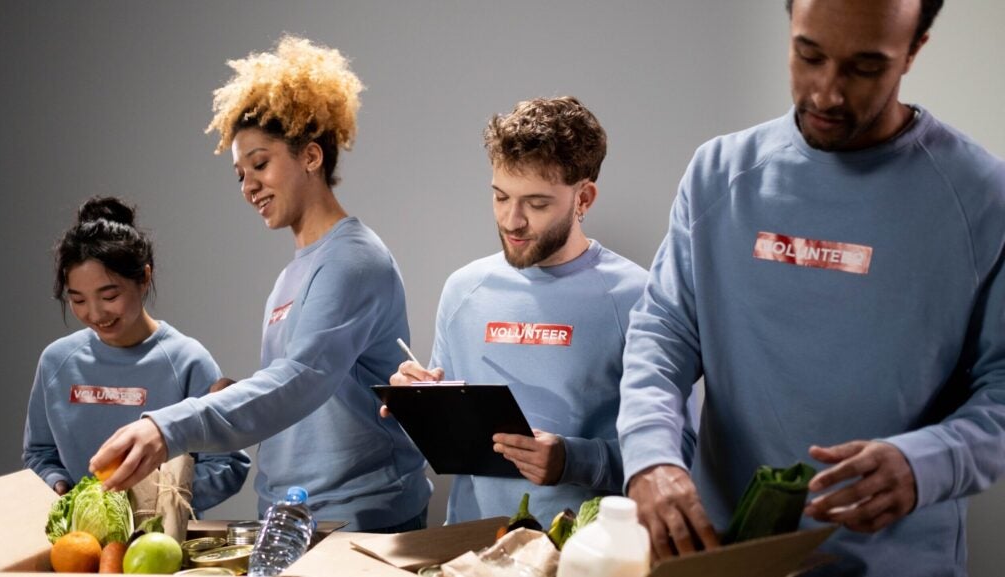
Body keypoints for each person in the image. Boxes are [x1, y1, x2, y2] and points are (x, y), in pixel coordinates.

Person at [618, 0, 1005, 574]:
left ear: (914, 51)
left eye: (865, 67)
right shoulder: (718, 174)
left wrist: (928, 463)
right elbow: (663, 334)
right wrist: (650, 457)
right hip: (727, 555)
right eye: (809, 55)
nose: (827, 93)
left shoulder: (982, 197)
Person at [90, 36, 432, 532]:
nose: (248, 185)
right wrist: (241, 392)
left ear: (311, 157)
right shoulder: (293, 272)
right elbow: (305, 382)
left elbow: (302, 379)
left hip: (356, 516)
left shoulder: (354, 261)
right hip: (288, 512)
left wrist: (169, 427)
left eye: (260, 163)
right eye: (239, 174)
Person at [389, 96, 695, 526]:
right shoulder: (464, 291)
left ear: (583, 197)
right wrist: (415, 402)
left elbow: (682, 451)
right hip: (471, 551)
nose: (512, 221)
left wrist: (573, 460)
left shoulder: (638, 297)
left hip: (586, 554)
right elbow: (453, 440)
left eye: (536, 204)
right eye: (500, 197)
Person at [22, 196, 250, 513]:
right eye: (78, 300)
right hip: (79, 547)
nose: (95, 313)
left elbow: (228, 464)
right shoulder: (56, 362)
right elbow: (40, 453)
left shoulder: (186, 360)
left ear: (144, 278)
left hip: (162, 548)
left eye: (109, 295)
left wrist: (154, 502)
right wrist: (58, 485)